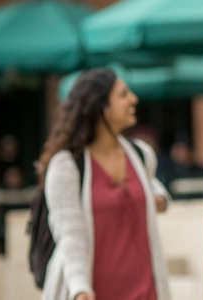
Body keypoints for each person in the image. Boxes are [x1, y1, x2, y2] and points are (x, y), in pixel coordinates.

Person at [37, 68, 172, 300]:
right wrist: (80, 288)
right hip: (94, 293)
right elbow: (69, 234)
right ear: (100, 107)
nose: (133, 99)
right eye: (123, 94)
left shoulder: (141, 154)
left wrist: (159, 198)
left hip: (146, 291)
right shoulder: (66, 166)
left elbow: (150, 183)